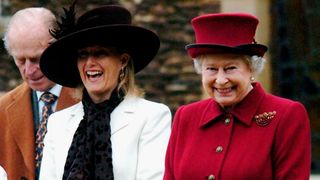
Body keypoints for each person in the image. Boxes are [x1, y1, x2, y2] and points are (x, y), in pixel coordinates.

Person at [164, 13, 311, 180]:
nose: (220, 80)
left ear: (252, 69)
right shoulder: (186, 117)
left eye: (230, 68)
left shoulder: (286, 115)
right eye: (211, 69)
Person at [38, 4, 172, 180]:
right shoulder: (58, 122)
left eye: (100, 53)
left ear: (123, 61)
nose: (90, 63)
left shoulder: (152, 116)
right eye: (83, 55)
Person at [0, 8, 78, 179]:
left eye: (36, 59)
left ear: (58, 48)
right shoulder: (2, 109)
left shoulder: (90, 100)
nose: (28, 71)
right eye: (20, 60)